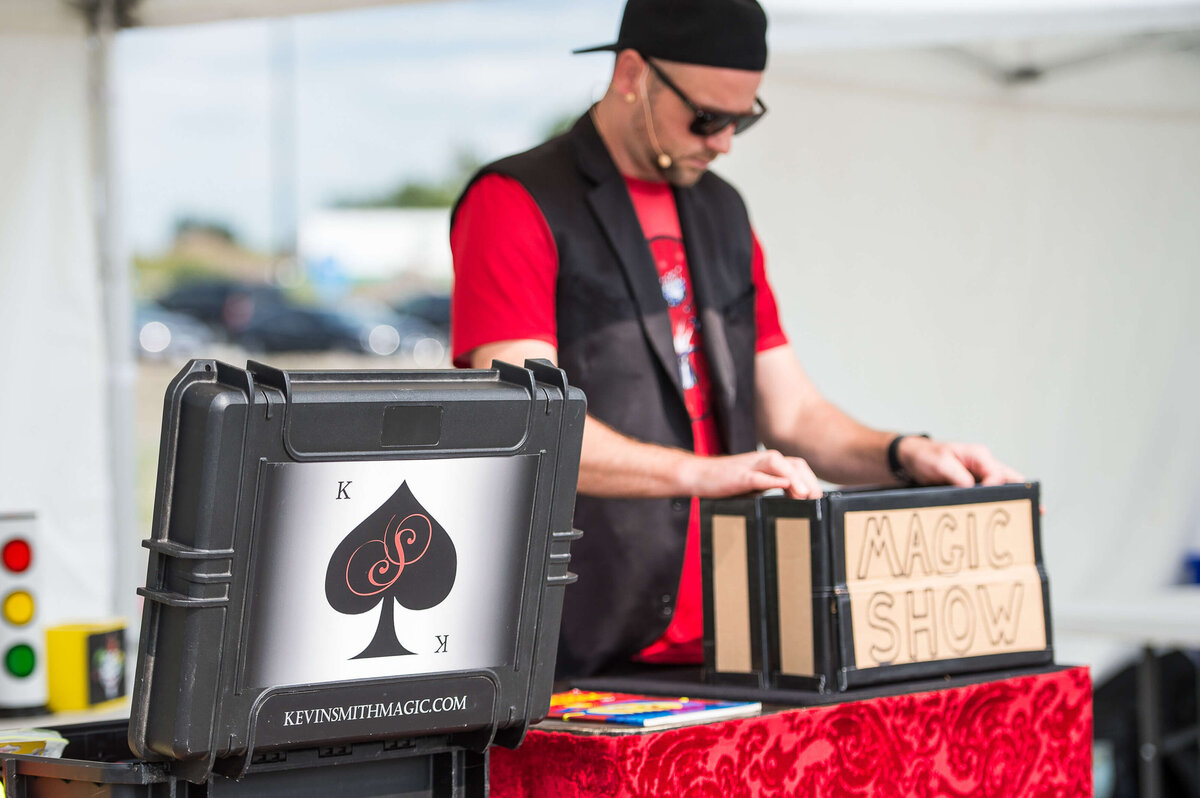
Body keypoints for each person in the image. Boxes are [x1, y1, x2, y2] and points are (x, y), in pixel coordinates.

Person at [450, 0, 1024, 678]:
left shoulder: (723, 210)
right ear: (632, 74)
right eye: (707, 118)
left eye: (742, 120)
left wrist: (903, 453)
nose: (723, 141)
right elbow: (529, 429)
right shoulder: (517, 199)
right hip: (581, 637)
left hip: (733, 626)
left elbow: (794, 415)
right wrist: (703, 473)